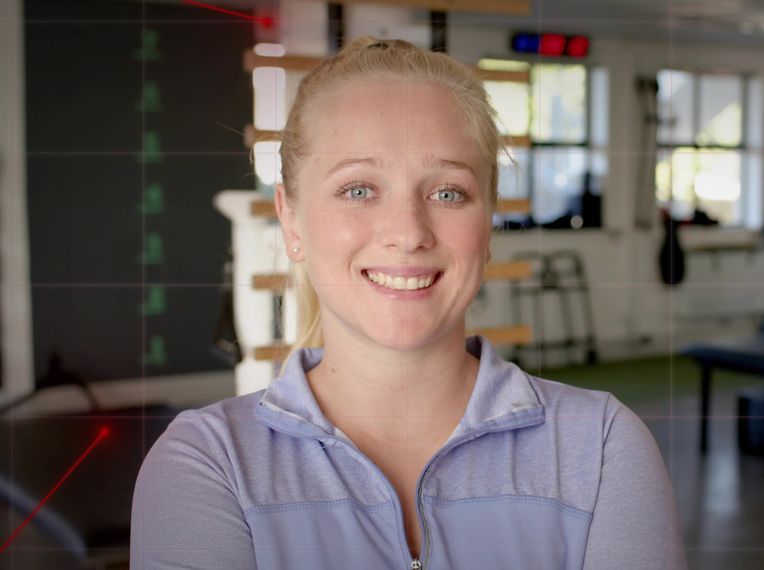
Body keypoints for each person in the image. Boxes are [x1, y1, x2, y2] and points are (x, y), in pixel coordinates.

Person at [130, 37, 687, 570]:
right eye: (358, 190)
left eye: (447, 193)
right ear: (291, 221)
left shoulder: (602, 447)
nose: (409, 232)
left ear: (488, 223)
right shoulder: (209, 463)